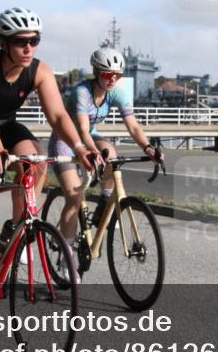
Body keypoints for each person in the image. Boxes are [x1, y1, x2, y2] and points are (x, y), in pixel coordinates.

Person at [0, 7, 96, 334]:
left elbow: (58, 117)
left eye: (34, 40)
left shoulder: (39, 71)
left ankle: (16, 225)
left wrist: (79, 147)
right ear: (4, 41)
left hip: (6, 127)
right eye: (21, 41)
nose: (28, 48)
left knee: (35, 160)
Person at [49, 47, 162, 266]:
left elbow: (133, 127)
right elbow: (81, 130)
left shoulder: (116, 92)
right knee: (75, 198)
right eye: (108, 74)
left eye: (118, 75)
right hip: (65, 140)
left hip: (90, 137)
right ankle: (65, 255)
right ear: (96, 71)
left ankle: (105, 202)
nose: (113, 79)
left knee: (111, 153)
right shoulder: (81, 92)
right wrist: (90, 152)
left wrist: (148, 148)